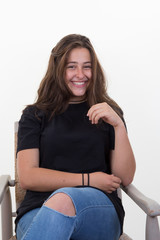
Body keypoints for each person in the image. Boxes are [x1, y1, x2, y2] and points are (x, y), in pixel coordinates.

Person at [15, 34, 136, 240]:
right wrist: (88, 180)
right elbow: (27, 177)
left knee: (63, 200)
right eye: (71, 66)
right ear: (58, 70)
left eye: (86, 66)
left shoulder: (108, 113)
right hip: (39, 209)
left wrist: (118, 125)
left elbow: (124, 177)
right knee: (61, 202)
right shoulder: (34, 115)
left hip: (98, 209)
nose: (80, 74)